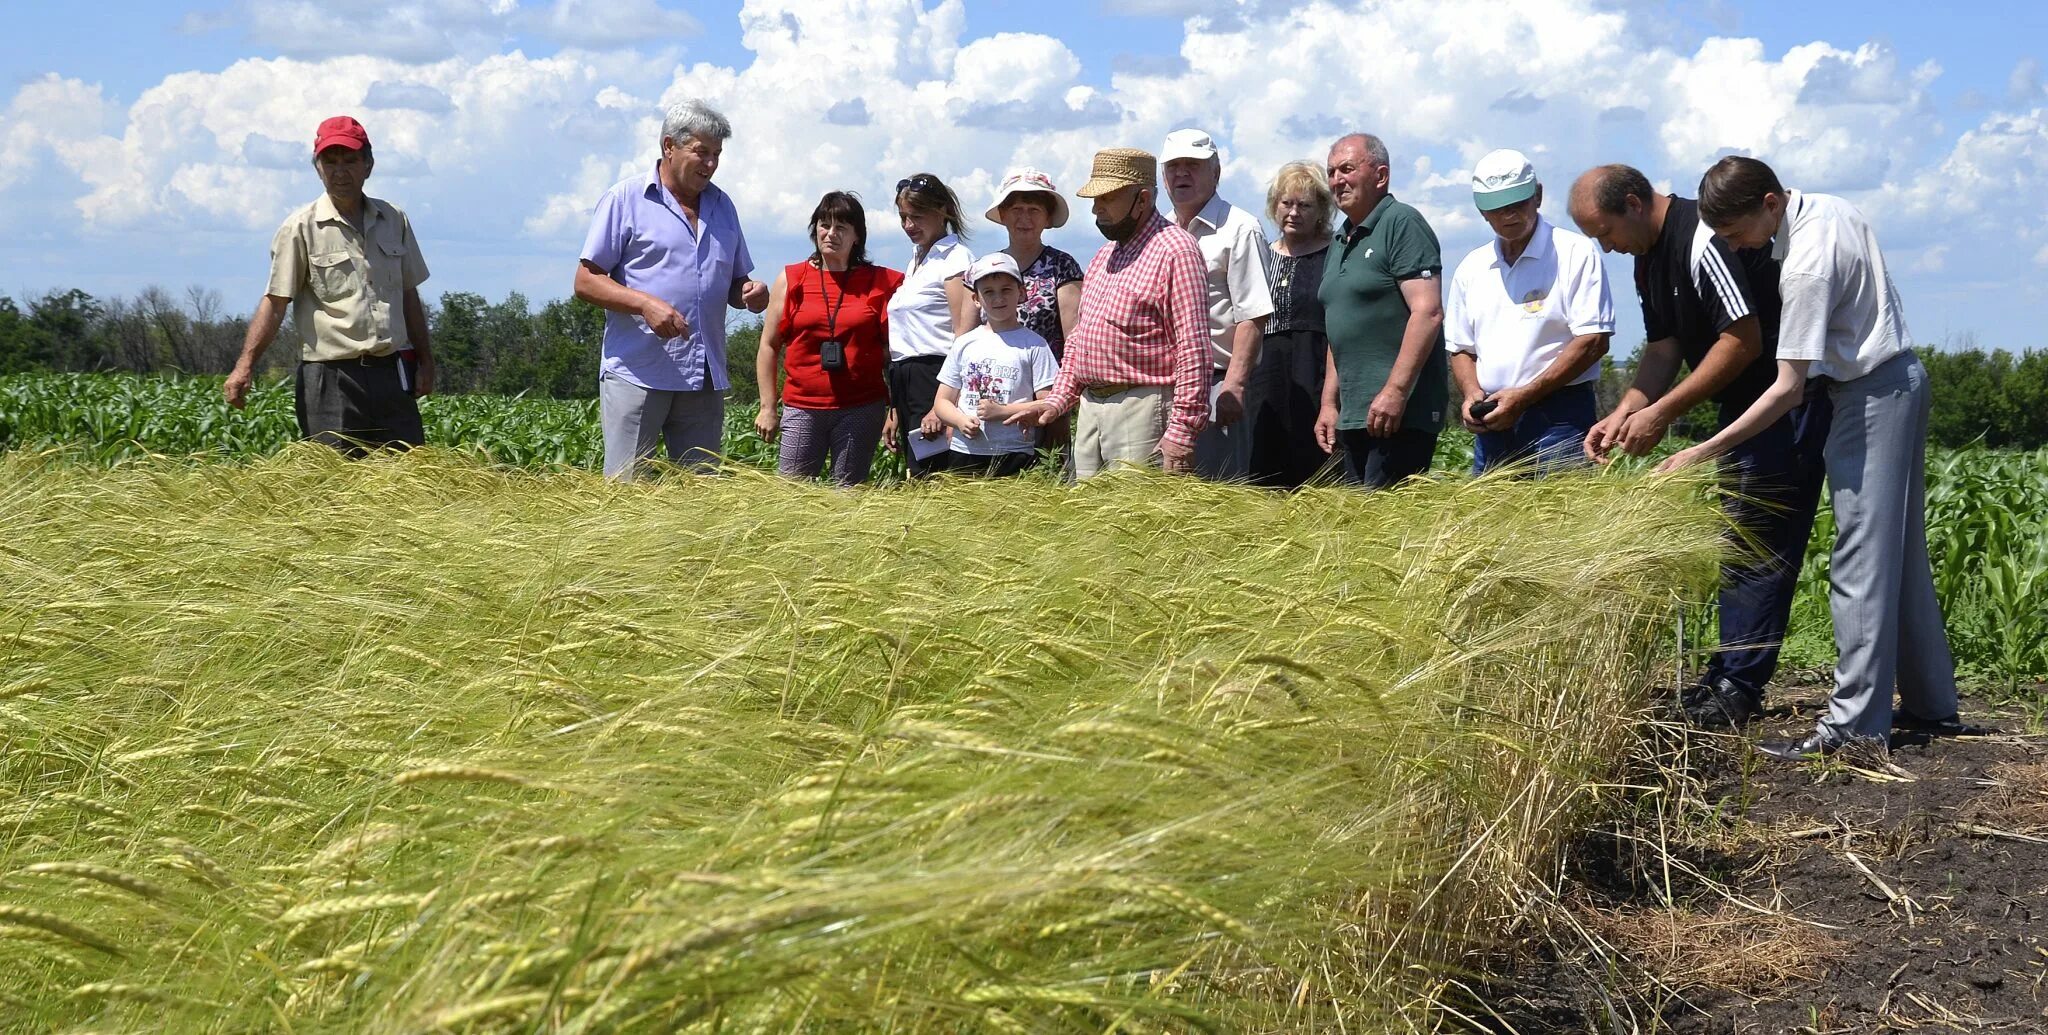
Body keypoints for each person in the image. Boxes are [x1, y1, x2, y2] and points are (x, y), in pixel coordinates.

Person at [1662, 156, 1963, 760]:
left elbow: (1786, 388)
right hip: (1902, 377)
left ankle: (1855, 728)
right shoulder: (1831, 207)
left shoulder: (1803, 268)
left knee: (1859, 561)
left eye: (1739, 232)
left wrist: (1705, 447)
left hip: (1868, 394)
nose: (1736, 245)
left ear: (1771, 202)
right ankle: (1931, 703)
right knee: (1896, 554)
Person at [1568, 163, 1829, 730]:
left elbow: (1742, 341)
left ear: (1634, 204)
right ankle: (1728, 673)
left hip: (1783, 402)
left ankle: (1740, 684)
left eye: (1604, 233)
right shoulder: (1646, 259)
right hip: (1742, 406)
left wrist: (1663, 412)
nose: (1606, 249)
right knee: (1737, 538)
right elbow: (1665, 348)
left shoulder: (1702, 239)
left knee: (1757, 542)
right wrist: (1623, 412)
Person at [574, 99, 769, 479]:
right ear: (669, 146)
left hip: (703, 374)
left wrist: (749, 292)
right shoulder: (625, 199)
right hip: (638, 372)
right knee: (628, 493)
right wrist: (645, 304)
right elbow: (585, 280)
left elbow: (734, 283)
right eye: (702, 152)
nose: (710, 164)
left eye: (717, 154)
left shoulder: (723, 206)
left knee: (700, 497)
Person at [224, 115, 434, 454]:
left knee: (408, 480)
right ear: (317, 167)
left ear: (368, 165)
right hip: (331, 379)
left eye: (349, 160)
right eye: (329, 161)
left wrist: (426, 360)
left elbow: (409, 293)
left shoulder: (393, 220)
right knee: (336, 488)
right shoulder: (300, 228)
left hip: (391, 373)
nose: (339, 171)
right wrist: (245, 366)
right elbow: (276, 301)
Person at [1007, 148, 1209, 477]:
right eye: (1095, 198)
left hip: (1144, 410)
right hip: (1090, 412)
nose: (1097, 208)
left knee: (1138, 521)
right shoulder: (1103, 257)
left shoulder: (1177, 250)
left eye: (1107, 198)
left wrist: (1182, 432)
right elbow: (1079, 341)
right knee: (1089, 523)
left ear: (1142, 199)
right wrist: (1057, 400)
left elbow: (1193, 347)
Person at [1444, 149, 1614, 475]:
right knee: (1490, 524)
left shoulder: (1574, 253)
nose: (1508, 215)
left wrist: (1523, 397)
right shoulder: (1472, 268)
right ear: (1481, 211)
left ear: (1537, 195)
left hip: (1560, 417)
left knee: (1562, 521)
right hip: (1493, 418)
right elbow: (1461, 348)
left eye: (1517, 204)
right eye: (1497, 208)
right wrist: (1471, 395)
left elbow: (1593, 340)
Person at [1312, 134, 1450, 488]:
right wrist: (1329, 403)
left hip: (1398, 416)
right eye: (1331, 172)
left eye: (1347, 169)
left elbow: (1428, 312)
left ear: (1381, 175)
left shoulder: (1402, 223)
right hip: (1356, 415)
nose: (1336, 180)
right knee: (1360, 531)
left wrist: (1396, 391)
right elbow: (1338, 328)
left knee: (1391, 532)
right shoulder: (1341, 238)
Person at [754, 191, 903, 486]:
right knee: (791, 494)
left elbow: (897, 353)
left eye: (841, 228)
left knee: (848, 497)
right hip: (802, 406)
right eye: (824, 225)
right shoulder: (791, 278)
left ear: (857, 236)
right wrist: (768, 407)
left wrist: (895, 408)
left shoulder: (884, 282)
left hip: (861, 408)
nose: (830, 234)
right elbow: (769, 345)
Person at [1162, 128, 1274, 481]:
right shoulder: (1159, 231)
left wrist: (1235, 385)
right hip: (1163, 384)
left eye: (1192, 165)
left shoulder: (1240, 228)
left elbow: (1252, 315)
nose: (1182, 173)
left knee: (1215, 493)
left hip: (1216, 384)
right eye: (1174, 165)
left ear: (1216, 172)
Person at [930, 253, 1060, 477]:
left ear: (1021, 293)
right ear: (976, 299)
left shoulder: (1034, 345)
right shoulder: (964, 343)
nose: (998, 298)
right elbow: (942, 401)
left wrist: (1003, 412)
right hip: (965, 451)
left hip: (1015, 452)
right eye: (988, 292)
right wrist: (960, 420)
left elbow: (1047, 403)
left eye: (1006, 290)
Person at [1249, 160, 1336, 489]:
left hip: (1314, 369)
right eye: (1286, 203)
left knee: (1313, 467)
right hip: (1265, 374)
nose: (1294, 212)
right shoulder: (1263, 254)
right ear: (1274, 206)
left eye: (1304, 205)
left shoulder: (1333, 255)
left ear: (1321, 211)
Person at [885, 173, 977, 477]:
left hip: (934, 376)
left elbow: (964, 333)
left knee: (936, 476)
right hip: (905, 378)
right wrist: (895, 406)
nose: (909, 225)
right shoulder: (916, 260)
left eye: (918, 216)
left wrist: (943, 402)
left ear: (943, 212)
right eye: (903, 217)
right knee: (919, 474)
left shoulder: (955, 258)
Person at [986, 168, 1083, 359]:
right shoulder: (985, 268)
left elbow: (1075, 337)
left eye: (1034, 210)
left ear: (1047, 218)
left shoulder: (1063, 266)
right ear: (1003, 215)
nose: (1025, 218)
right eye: (1016, 210)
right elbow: (966, 335)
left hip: (1048, 384)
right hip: (992, 381)